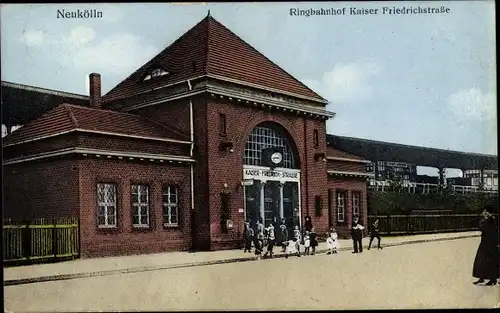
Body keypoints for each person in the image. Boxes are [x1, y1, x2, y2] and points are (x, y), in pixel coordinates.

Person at [472, 206, 499, 286]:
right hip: (485, 242)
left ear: (488, 212)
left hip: (489, 243)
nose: (483, 213)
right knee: (482, 260)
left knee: (489, 261)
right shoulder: (488, 220)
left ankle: (492, 279)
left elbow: (483, 228)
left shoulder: (490, 220)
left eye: (484, 211)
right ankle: (482, 277)